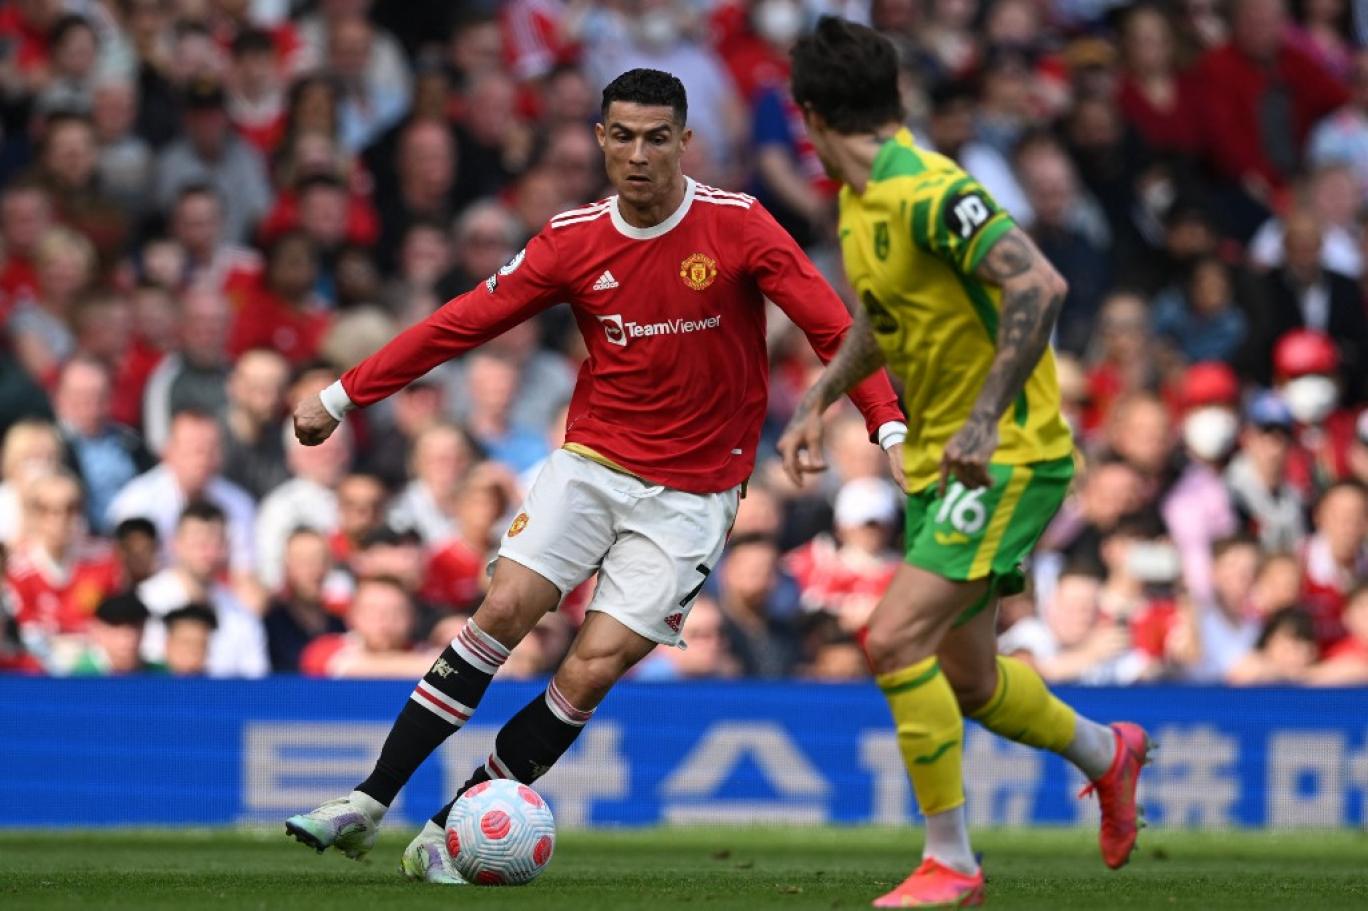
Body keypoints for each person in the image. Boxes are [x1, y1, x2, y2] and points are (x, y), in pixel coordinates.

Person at [283, 67, 905, 883]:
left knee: (590, 667)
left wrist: (888, 425)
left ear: (684, 142)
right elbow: (460, 323)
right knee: (502, 609)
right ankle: (367, 800)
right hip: (595, 464)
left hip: (696, 494)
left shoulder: (740, 225)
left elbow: (832, 326)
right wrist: (341, 394)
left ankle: (448, 828)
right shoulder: (573, 240)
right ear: (601, 140)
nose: (639, 154)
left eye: (657, 138)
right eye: (624, 137)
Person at [777, 19, 1149, 907]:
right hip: (946, 462)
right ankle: (1109, 752)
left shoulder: (930, 189)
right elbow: (888, 320)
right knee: (971, 679)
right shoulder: (859, 201)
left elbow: (1038, 284)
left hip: (1005, 454)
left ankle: (950, 859)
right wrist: (820, 395)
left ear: (812, 115)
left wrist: (983, 421)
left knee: (892, 638)